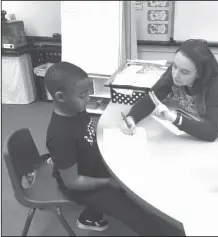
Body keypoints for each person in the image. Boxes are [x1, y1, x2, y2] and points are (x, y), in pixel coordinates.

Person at [45, 61, 184, 236]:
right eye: (82, 95)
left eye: (89, 92)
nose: (88, 99)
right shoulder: (60, 136)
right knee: (138, 215)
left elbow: (86, 137)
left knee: (145, 175)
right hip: (81, 186)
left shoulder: (75, 110)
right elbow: (73, 182)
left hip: (94, 166)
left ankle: (91, 215)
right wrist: (109, 182)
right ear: (60, 97)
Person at [121, 39, 218, 141]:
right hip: (200, 123)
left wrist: (174, 118)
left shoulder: (215, 85)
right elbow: (152, 98)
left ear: (199, 73)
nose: (175, 75)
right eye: (174, 66)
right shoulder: (176, 72)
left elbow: (212, 132)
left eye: (185, 72)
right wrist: (131, 118)